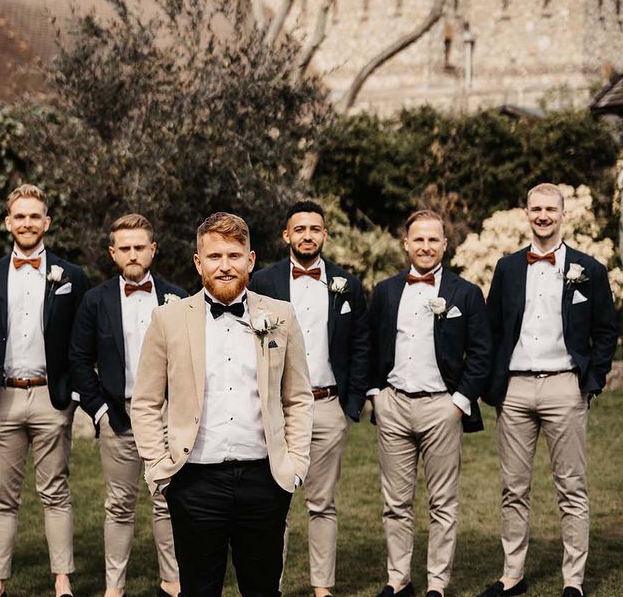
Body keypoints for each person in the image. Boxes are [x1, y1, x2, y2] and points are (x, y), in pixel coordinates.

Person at [130, 211, 314, 597]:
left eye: (234, 255)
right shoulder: (168, 319)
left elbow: (297, 397)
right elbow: (146, 401)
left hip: (265, 481)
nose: (225, 266)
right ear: (199, 263)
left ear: (251, 259)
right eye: (215, 257)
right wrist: (159, 466)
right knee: (198, 589)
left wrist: (295, 465)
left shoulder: (280, 316)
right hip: (194, 481)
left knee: (263, 589)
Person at [478, 183, 617, 597]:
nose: (543, 216)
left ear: (563, 215)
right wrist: (496, 387)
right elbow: (492, 328)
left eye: (550, 210)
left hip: (565, 387)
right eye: (536, 209)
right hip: (516, 389)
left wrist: (589, 382)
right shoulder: (506, 268)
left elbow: (606, 331)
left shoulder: (588, 269)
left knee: (571, 487)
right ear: (526, 213)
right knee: (513, 487)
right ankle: (512, 575)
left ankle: (573, 580)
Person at [0, 184, 88, 597]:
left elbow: (79, 342)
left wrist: (71, 395)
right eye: (19, 216)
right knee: (1, 495)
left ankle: (62, 579)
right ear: (8, 223)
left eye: (35, 216)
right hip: (2, 398)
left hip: (50, 398)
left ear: (47, 223)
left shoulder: (71, 276)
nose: (27, 223)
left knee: (55, 490)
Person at [368, 209, 491, 597]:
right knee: (396, 503)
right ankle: (398, 579)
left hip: (442, 407)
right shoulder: (386, 291)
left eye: (433, 239)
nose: (425, 246)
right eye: (418, 239)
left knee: (443, 502)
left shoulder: (465, 293)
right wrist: (376, 395)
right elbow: (368, 346)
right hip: (394, 406)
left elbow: (482, 353)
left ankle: (437, 583)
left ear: (444, 244)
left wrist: (458, 402)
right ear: (406, 244)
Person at [249, 200, 369, 597]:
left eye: (314, 229)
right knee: (274, 504)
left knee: (322, 502)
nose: (307, 236)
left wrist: (350, 405)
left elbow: (360, 344)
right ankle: (272, 587)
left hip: (328, 405)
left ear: (325, 235)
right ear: (286, 235)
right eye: (299, 229)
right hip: (277, 409)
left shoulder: (346, 285)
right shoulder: (262, 283)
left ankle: (323, 588)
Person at [69, 214, 186, 597]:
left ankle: (172, 582)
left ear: (152, 250)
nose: (133, 254)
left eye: (140, 247)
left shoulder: (178, 299)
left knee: (168, 501)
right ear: (112, 253)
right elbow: (79, 360)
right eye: (125, 248)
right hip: (118, 416)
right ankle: (114, 588)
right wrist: (100, 411)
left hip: (167, 417)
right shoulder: (95, 301)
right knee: (119, 505)